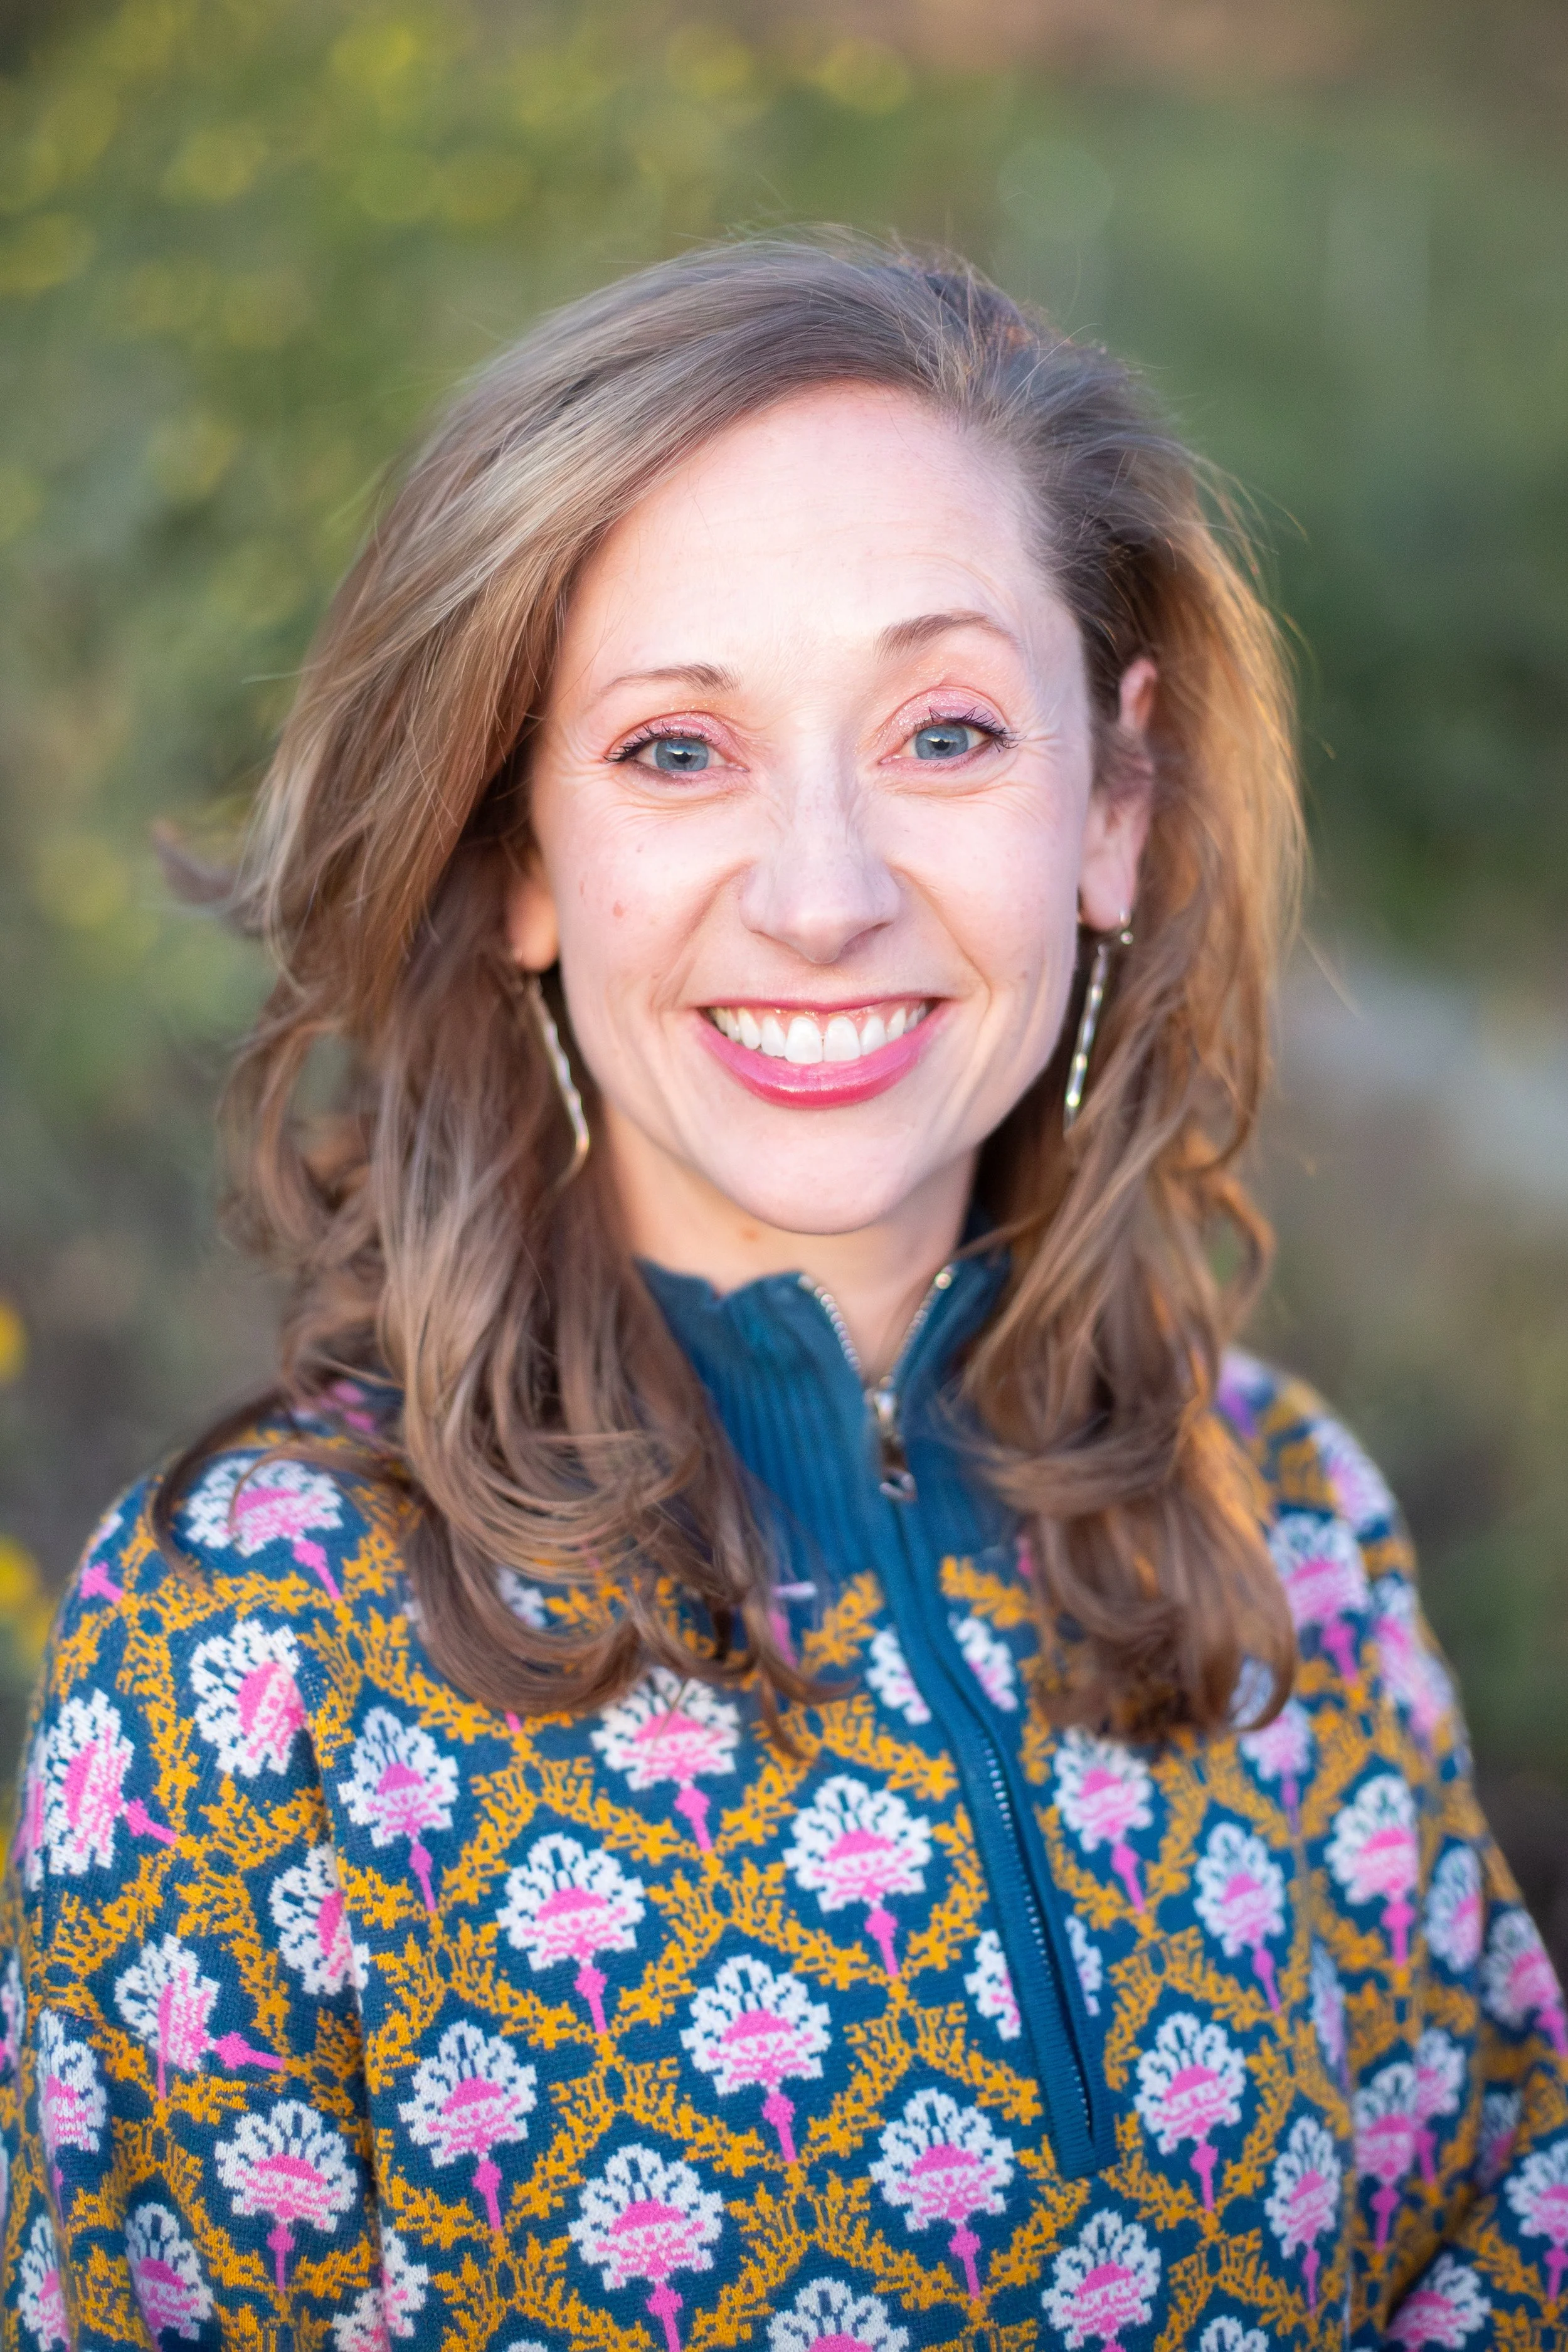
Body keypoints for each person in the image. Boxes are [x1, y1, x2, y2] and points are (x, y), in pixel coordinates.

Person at [3, 235, 1562, 2352]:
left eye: (944, 731)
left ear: (1113, 801)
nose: (822, 896)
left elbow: (1490, 2246)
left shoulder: (1287, 1523)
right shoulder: (243, 1659)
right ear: (520, 850)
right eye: (675, 749)